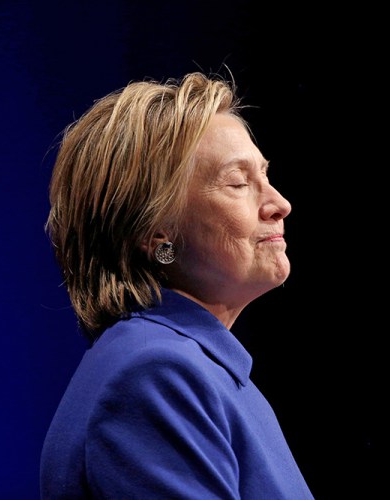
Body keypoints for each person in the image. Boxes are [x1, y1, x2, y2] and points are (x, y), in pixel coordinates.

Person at [39, 71, 314, 499]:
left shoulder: (202, 371)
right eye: (239, 183)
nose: (280, 203)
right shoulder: (156, 377)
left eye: (264, 176)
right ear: (157, 233)